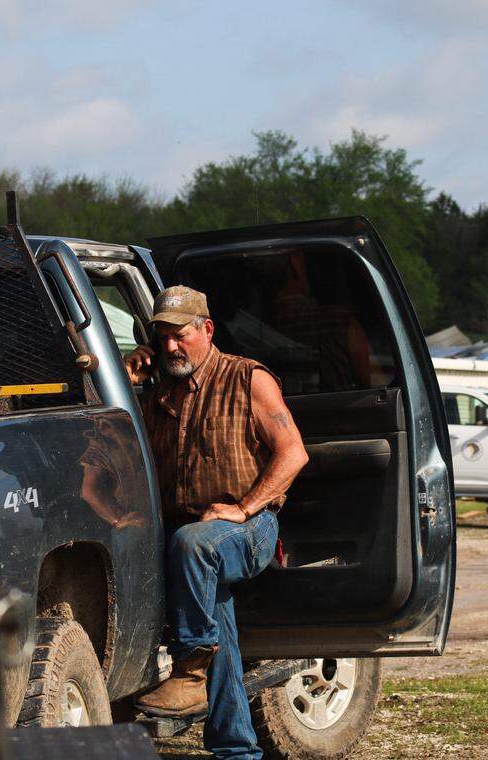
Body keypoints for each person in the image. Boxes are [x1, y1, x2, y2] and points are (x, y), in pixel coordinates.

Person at [125, 285, 308, 760]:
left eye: (180, 335)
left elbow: (294, 453)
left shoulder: (247, 378)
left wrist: (247, 507)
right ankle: (238, 751)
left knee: (194, 545)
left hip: (249, 526)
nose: (170, 347)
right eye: (161, 336)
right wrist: (129, 382)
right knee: (215, 611)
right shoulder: (158, 392)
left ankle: (190, 672)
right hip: (188, 534)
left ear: (207, 329)